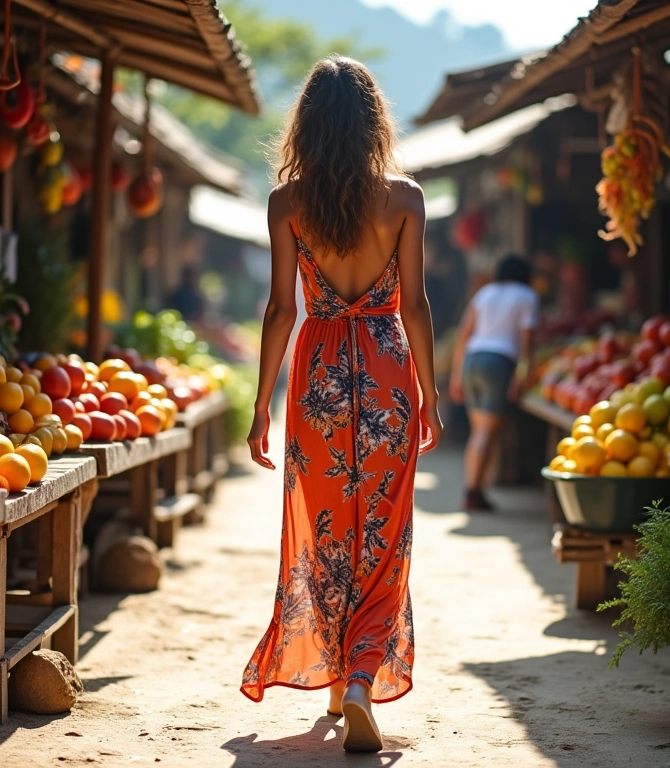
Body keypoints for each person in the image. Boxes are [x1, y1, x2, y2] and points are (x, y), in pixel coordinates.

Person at [243, 56, 442, 753]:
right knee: (382, 539)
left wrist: (260, 404)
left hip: (319, 376)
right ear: (372, 125)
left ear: (305, 126)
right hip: (388, 374)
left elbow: (276, 310)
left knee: (327, 531)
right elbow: (414, 305)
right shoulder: (405, 199)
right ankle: (354, 682)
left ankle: (338, 676)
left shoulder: (286, 204)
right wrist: (432, 396)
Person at [449, 255, 538, 511]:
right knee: (486, 432)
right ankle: (473, 491)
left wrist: (456, 375)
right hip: (499, 364)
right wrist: (523, 373)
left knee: (480, 431)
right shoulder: (527, 295)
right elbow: (526, 340)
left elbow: (463, 334)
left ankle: (477, 490)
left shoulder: (485, 293)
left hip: (472, 361)